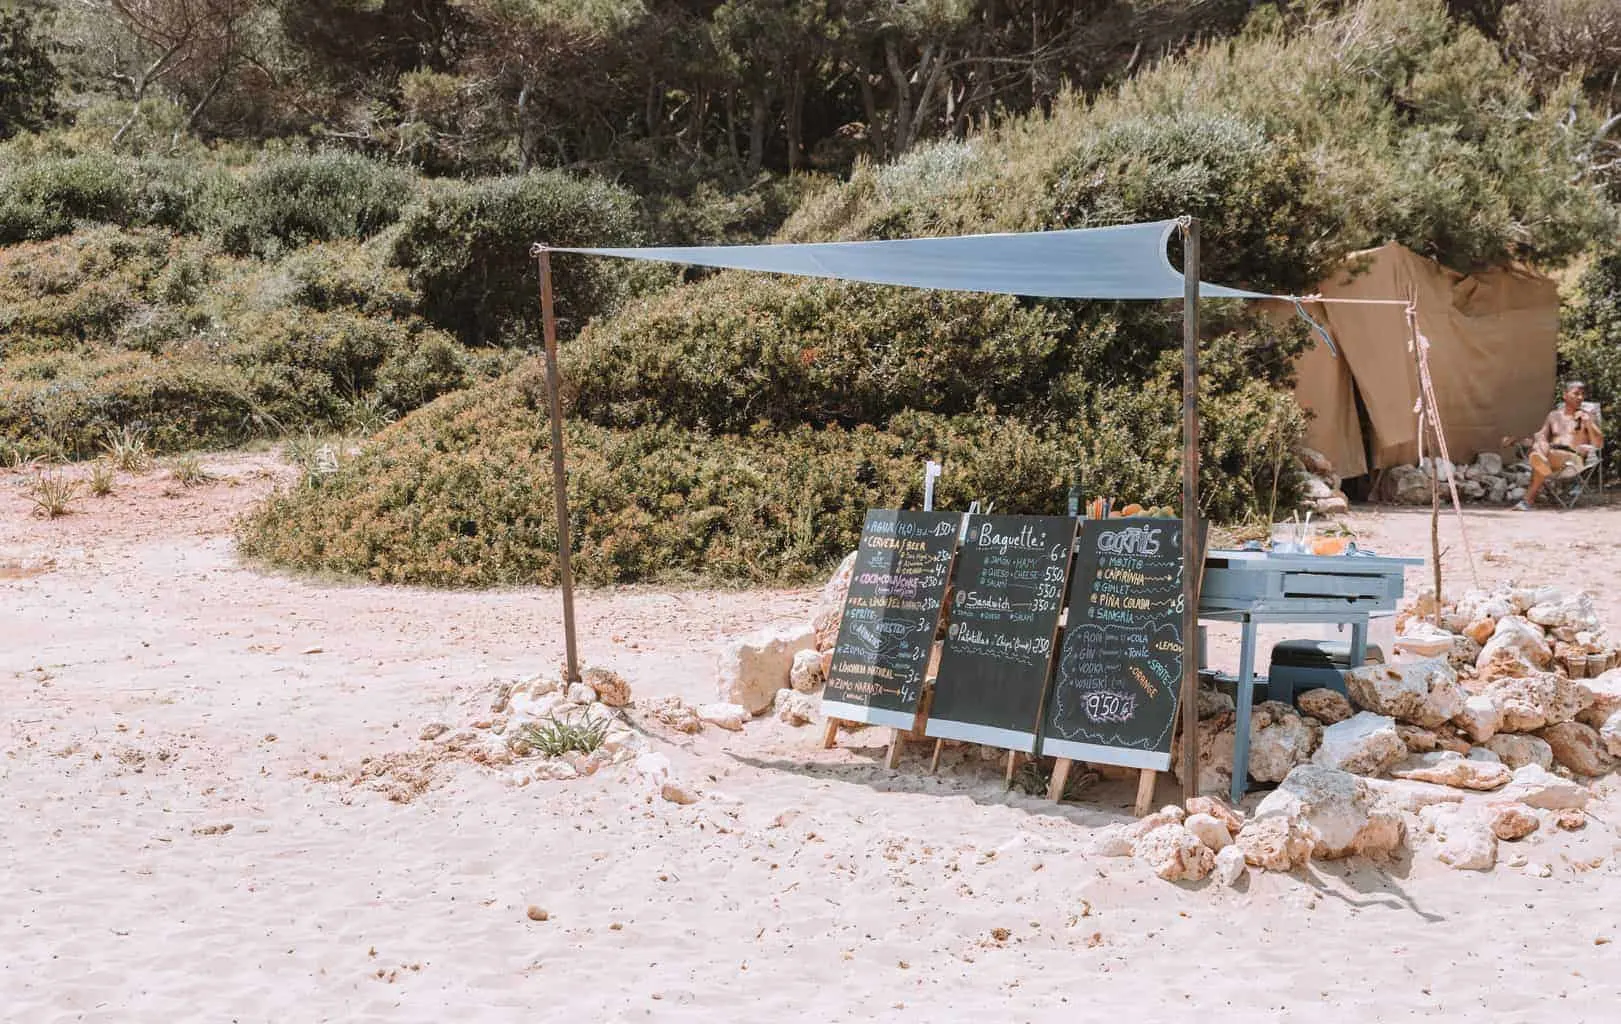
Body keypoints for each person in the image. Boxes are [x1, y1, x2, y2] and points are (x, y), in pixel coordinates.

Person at [1513, 380, 1602, 510]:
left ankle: (1529, 497)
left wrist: (1588, 423)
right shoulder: (1553, 416)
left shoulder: (1587, 416)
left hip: (1573, 458)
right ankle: (1542, 462)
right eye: (1576, 394)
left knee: (1541, 454)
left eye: (1582, 394)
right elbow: (1540, 435)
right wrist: (1518, 440)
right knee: (1540, 441)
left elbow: (1599, 444)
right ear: (1565, 395)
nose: (1580, 397)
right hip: (1551, 453)